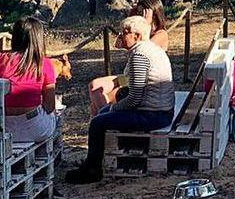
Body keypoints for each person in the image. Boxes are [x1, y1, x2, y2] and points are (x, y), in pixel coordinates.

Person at [66, 15, 175, 184]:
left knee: (97, 123)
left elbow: (135, 98)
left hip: (153, 114)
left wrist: (114, 107)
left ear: (137, 36)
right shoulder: (149, 49)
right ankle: (93, 162)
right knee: (102, 113)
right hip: (161, 110)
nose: (120, 36)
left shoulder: (140, 56)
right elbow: (130, 85)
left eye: (124, 33)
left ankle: (93, 170)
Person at [87, 0, 170, 115]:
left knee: (99, 101)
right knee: (94, 87)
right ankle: (106, 122)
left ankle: (107, 122)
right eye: (139, 12)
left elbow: (145, 49)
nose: (141, 15)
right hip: (129, 76)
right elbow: (118, 44)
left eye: (144, 13)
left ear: (154, 14)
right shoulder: (136, 32)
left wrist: (144, 24)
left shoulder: (161, 34)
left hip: (144, 80)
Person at [0, 17, 58, 142]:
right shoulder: (44, 63)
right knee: (56, 117)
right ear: (38, 39)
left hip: (4, 127)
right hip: (34, 127)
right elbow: (49, 106)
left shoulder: (0, 60)